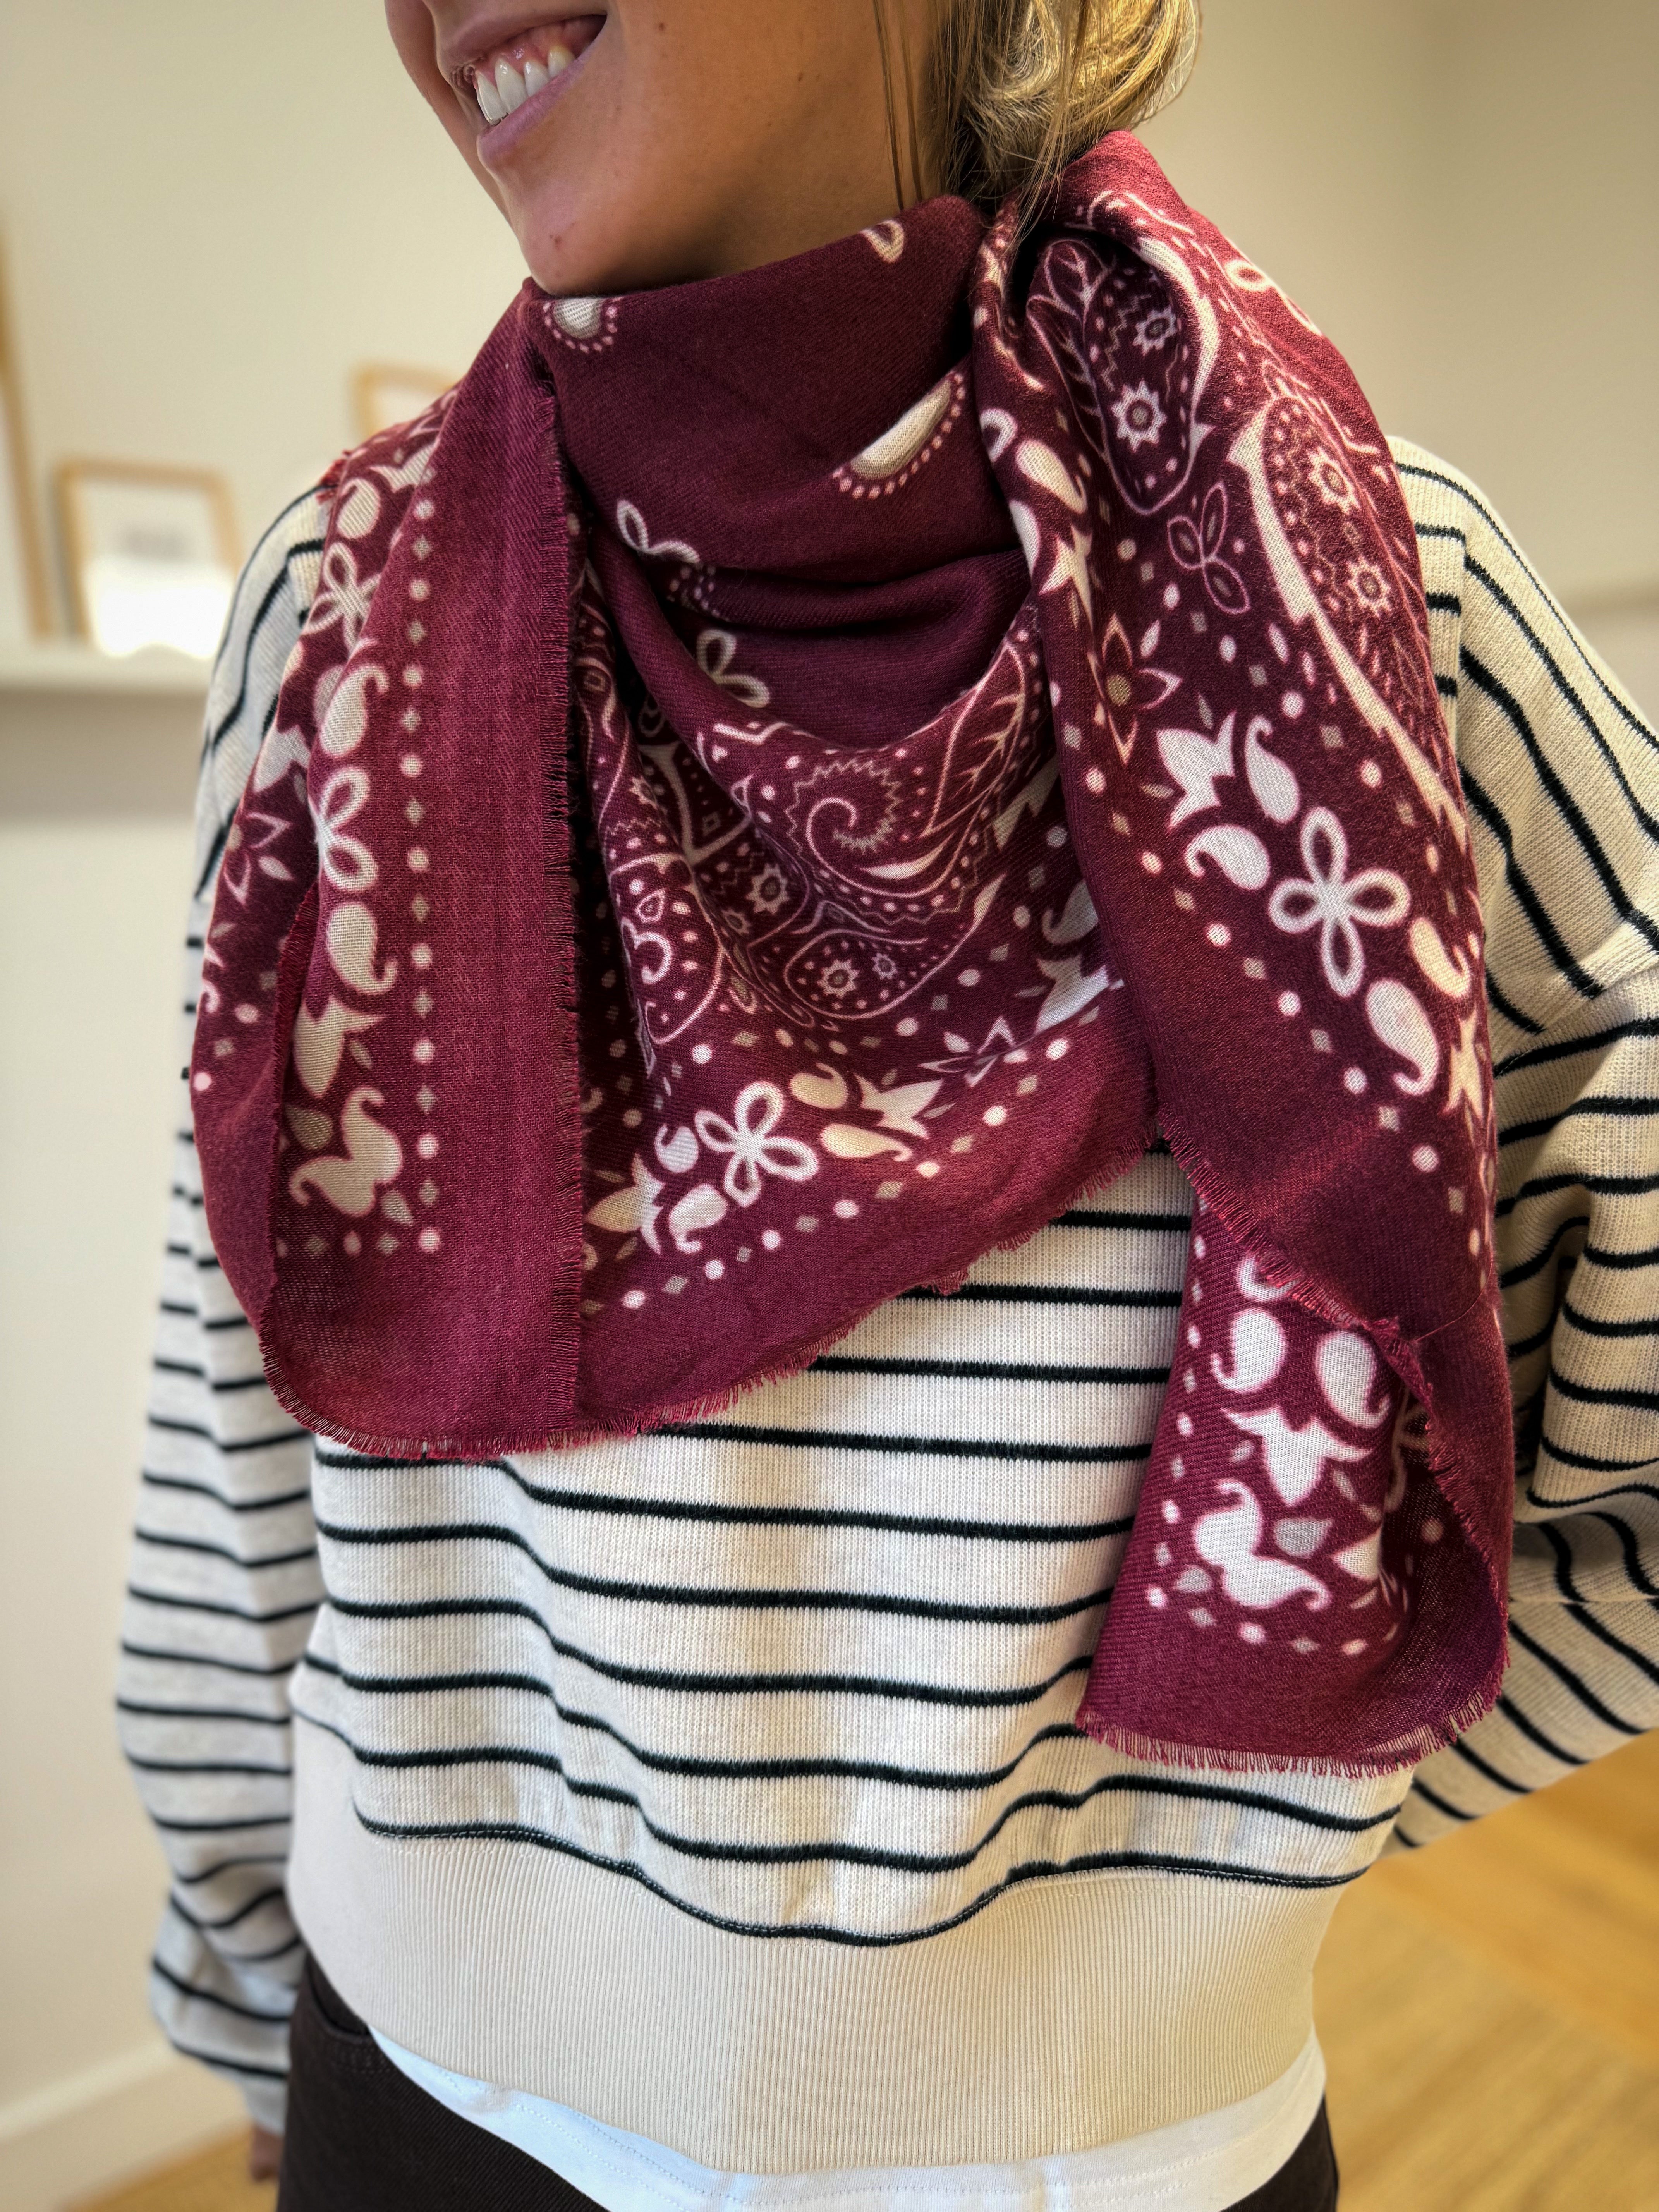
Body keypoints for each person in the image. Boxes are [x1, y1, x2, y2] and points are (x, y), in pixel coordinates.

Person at [118, 4, 1659, 2208]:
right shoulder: (339, 625)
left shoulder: (1381, 606)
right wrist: (240, 1992)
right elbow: (240, 1429)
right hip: (422, 2107)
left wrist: (1253, 1840)